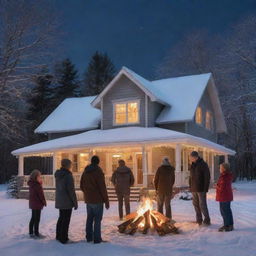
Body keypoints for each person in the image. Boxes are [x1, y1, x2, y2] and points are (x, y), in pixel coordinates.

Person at [80, 155, 109, 244]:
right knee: (97, 220)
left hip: (89, 200)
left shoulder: (85, 172)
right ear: (98, 162)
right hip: (97, 200)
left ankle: (89, 237)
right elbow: (102, 187)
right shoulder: (98, 172)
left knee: (89, 218)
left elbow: (81, 185)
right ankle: (97, 239)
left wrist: (87, 193)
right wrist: (106, 200)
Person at [55, 159, 78, 244]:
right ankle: (63, 238)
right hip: (67, 201)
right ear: (67, 165)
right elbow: (71, 190)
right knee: (66, 220)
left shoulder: (58, 174)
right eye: (70, 164)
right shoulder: (68, 175)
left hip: (60, 199)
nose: (71, 166)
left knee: (61, 218)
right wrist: (75, 202)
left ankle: (58, 235)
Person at [189, 151, 211, 226]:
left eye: (191, 157)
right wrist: (190, 187)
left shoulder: (203, 164)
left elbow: (207, 177)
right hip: (194, 188)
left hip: (201, 188)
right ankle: (199, 219)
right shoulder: (192, 165)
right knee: (195, 204)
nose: (190, 158)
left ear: (196, 157)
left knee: (202, 205)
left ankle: (207, 220)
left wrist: (205, 189)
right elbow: (191, 177)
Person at [28, 169, 47, 239]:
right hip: (37, 203)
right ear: (36, 177)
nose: (40, 177)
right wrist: (44, 202)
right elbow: (41, 195)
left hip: (33, 203)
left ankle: (31, 232)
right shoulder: (37, 185)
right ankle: (36, 233)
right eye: (39, 176)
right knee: (37, 219)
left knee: (33, 218)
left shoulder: (31, 184)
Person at [216, 163, 234, 232]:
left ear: (224, 169)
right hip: (226, 196)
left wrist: (217, 186)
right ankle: (230, 225)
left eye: (220, 168)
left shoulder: (224, 177)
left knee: (224, 211)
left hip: (224, 196)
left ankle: (227, 226)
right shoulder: (226, 176)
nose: (219, 169)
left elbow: (222, 187)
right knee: (227, 210)